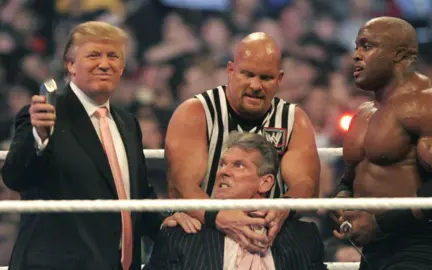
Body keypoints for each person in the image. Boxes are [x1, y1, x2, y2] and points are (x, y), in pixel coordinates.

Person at [1, 21, 164, 270]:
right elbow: (15, 177)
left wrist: (175, 226)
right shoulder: (45, 114)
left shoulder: (127, 123)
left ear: (122, 67)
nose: (104, 63)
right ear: (70, 65)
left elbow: (138, 195)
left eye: (113, 56)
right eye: (93, 55)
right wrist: (40, 136)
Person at [330, 17, 432, 270]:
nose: (356, 56)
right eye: (356, 47)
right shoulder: (363, 113)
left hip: (420, 249)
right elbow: (350, 178)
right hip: (373, 251)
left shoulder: (430, 104)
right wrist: (343, 203)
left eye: (367, 46)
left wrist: (379, 223)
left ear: (399, 55)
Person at [164, 32, 320, 254]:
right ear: (230, 71)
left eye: (265, 78)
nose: (255, 85)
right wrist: (221, 218)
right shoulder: (195, 113)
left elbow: (307, 185)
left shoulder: (294, 120)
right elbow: (182, 185)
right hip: (204, 236)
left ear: (279, 79)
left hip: (268, 238)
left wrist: (283, 207)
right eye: (247, 74)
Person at [145, 132, 328, 270]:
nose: (223, 171)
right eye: (223, 164)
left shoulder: (303, 237)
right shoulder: (183, 234)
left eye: (238, 165)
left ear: (265, 183)